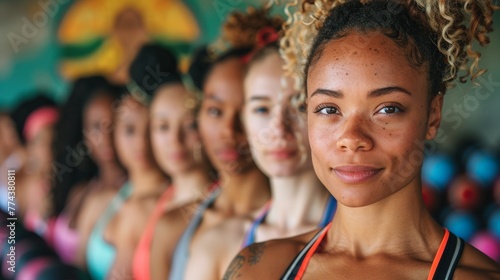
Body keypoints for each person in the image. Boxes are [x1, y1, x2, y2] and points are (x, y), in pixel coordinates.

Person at [224, 1, 500, 279]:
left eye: (387, 109)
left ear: (433, 115)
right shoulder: (256, 269)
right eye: (329, 109)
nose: (351, 138)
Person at [186, 20, 337, 280]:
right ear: (245, 118)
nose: (278, 128)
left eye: (299, 106)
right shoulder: (218, 243)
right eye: (262, 109)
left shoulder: (362, 242)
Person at [169, 8, 278, 280]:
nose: (229, 131)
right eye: (216, 111)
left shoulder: (289, 231)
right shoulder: (172, 225)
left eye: (247, 112)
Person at [127, 44, 216, 280]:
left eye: (189, 126)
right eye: (162, 127)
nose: (174, 140)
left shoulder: (218, 208)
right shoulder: (160, 200)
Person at [86, 90, 168, 280]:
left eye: (151, 129)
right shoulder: (110, 198)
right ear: (115, 134)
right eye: (130, 130)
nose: (141, 143)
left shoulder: (159, 203)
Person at [48, 76, 126, 268]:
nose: (105, 137)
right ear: (84, 135)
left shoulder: (129, 194)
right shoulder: (81, 190)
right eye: (96, 127)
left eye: (113, 125)